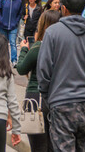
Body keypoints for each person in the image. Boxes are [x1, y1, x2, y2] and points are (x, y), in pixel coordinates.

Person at [37, 0, 85, 151]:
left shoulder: (52, 33)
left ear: (63, 8)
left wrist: (48, 97)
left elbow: (43, 72)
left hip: (62, 103)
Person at [17, 9, 61, 152]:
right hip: (57, 97)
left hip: (36, 98)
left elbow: (22, 69)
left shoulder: (38, 47)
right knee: (54, 144)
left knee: (38, 146)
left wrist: (23, 50)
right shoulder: (62, 46)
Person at [0, 0, 23, 64]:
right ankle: (3, 60)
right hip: (3, 26)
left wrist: (16, 22)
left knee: (13, 43)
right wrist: (1, 20)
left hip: (13, 26)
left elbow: (19, 13)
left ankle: (14, 60)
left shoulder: (19, 1)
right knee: (3, 44)